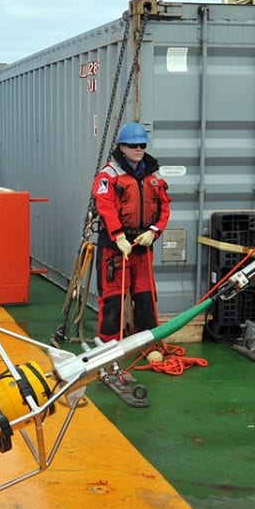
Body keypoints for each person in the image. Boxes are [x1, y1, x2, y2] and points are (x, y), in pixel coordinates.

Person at [91, 122, 171, 407]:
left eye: (142, 145)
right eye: (133, 145)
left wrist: (155, 231)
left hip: (142, 248)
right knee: (112, 299)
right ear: (122, 147)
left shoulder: (154, 176)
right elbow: (106, 207)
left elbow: (164, 207)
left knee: (146, 296)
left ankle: (149, 343)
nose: (138, 150)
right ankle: (107, 347)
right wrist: (118, 237)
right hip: (116, 250)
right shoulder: (109, 175)